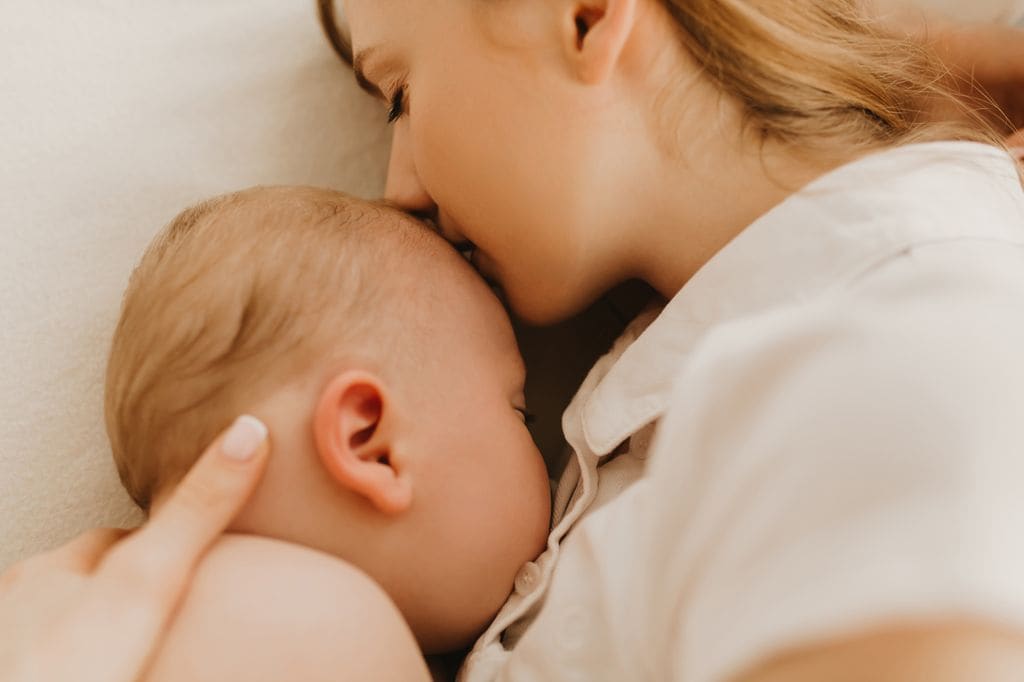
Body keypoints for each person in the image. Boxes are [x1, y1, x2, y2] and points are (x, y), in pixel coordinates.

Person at [3, 1, 1024, 681]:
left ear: (581, 15)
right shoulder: (682, 397)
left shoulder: (893, 329)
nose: (396, 184)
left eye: (398, 90)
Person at [103, 186, 550, 680]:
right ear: (370, 442)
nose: (550, 471)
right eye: (519, 413)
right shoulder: (328, 627)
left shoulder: (147, 619)